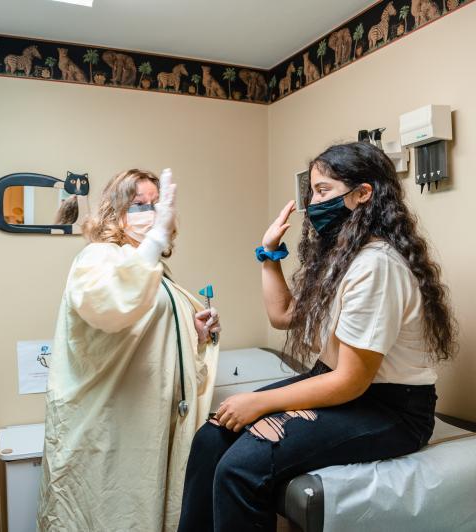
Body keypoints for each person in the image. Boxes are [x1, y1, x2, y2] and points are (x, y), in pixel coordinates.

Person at [178, 142, 458, 531]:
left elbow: (350, 381)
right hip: (341, 387)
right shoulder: (341, 258)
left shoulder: (377, 266)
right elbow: (283, 315)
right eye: (311, 192)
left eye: (323, 191)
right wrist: (269, 252)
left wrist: (258, 404)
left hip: (390, 409)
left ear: (363, 195)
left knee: (241, 469)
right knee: (211, 439)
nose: (311, 203)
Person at [38, 168, 221, 531]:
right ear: (115, 212)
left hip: (143, 427)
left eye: (156, 204)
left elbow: (148, 331)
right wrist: (154, 240)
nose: (150, 213)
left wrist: (193, 331)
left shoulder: (153, 266)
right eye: (139, 205)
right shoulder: (99, 257)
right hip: (107, 431)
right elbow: (111, 303)